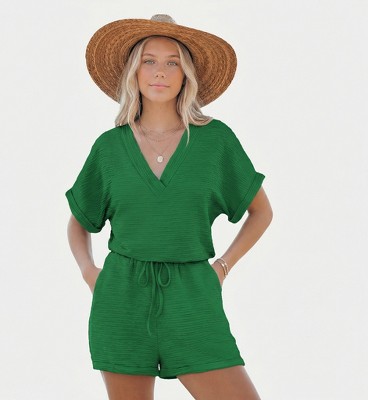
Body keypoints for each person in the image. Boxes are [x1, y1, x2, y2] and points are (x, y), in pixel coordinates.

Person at [65, 14, 273, 400]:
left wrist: (222, 267)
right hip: (121, 298)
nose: (160, 71)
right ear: (134, 72)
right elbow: (79, 220)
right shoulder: (109, 148)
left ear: (185, 75)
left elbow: (262, 212)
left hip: (193, 296)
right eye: (149, 60)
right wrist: (89, 272)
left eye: (172, 62)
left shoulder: (215, 141)